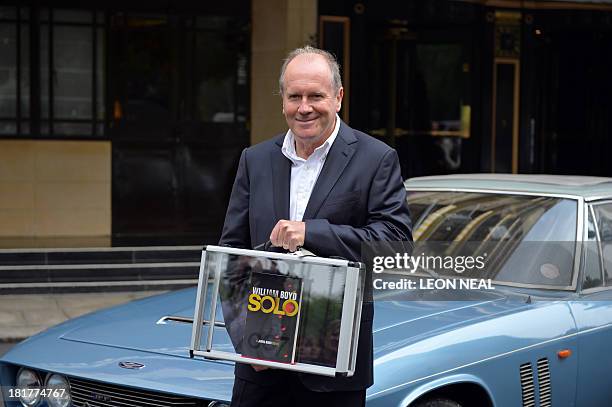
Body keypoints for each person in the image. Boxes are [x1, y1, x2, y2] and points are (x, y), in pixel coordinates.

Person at [219, 45, 412, 407]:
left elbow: (396, 245)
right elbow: (231, 258)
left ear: (338, 97)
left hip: (333, 368)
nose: (304, 107)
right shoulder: (255, 160)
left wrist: (311, 232)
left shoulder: (376, 159)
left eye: (315, 96)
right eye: (294, 96)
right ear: (282, 100)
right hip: (260, 368)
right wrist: (246, 338)